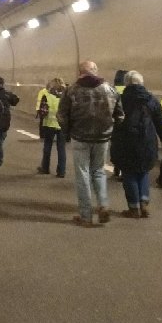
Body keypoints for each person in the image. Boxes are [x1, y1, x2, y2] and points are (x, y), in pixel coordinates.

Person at [57, 61, 124, 227]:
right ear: (95, 71)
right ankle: (103, 205)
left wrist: (67, 132)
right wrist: (110, 130)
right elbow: (120, 115)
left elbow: (62, 115)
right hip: (102, 137)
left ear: (80, 72)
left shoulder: (71, 90)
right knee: (99, 171)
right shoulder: (109, 89)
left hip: (80, 137)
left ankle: (86, 215)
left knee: (83, 174)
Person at [110, 71, 162, 218]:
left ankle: (133, 207)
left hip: (125, 141)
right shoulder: (151, 100)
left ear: (126, 83)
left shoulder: (120, 99)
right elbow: (161, 123)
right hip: (147, 140)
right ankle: (143, 201)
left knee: (128, 172)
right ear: (141, 82)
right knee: (143, 170)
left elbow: (112, 119)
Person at [37, 78, 67, 177]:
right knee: (61, 148)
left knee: (47, 147)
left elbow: (43, 111)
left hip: (49, 124)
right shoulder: (66, 96)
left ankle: (45, 168)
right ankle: (61, 171)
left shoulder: (48, 95)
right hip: (62, 125)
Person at [110, 69, 128, 180]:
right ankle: (124, 171)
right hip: (127, 123)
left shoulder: (111, 90)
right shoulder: (128, 90)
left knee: (116, 146)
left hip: (114, 123)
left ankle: (116, 169)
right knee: (126, 148)